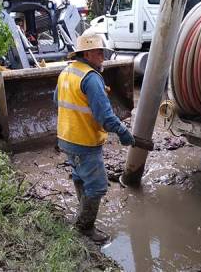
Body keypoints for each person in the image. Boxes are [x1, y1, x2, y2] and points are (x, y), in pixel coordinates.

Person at [54, 34, 135, 244]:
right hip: (84, 142)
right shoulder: (91, 78)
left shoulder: (67, 71)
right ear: (86, 54)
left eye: (103, 52)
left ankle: (82, 212)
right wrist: (124, 133)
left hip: (66, 138)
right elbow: (106, 117)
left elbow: (57, 99)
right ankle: (84, 228)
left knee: (80, 176)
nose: (102, 56)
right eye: (99, 52)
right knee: (97, 185)